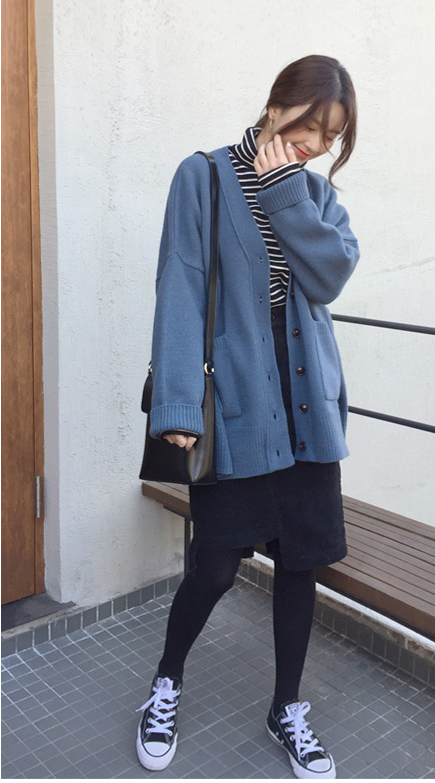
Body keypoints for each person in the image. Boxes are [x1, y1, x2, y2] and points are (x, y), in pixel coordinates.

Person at [136, 55, 359, 779]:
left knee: (301, 565)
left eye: (331, 136)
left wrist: (287, 194)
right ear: (275, 105)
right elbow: (180, 284)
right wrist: (177, 404)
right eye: (311, 125)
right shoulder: (202, 176)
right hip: (234, 407)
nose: (316, 144)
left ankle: (287, 707)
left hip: (305, 410)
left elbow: (330, 275)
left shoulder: (313, 194)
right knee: (215, 566)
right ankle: (166, 681)